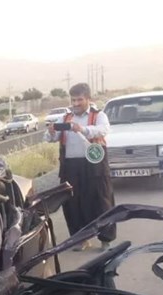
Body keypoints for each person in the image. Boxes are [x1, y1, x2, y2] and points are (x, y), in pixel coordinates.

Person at [44, 82, 116, 251]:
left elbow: (103, 130)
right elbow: (50, 138)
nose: (75, 103)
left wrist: (81, 129)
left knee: (101, 201)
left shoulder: (99, 116)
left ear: (88, 99)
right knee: (73, 204)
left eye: (79, 100)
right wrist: (52, 132)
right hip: (70, 167)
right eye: (73, 100)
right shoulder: (65, 118)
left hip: (95, 166)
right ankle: (80, 239)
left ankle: (105, 239)